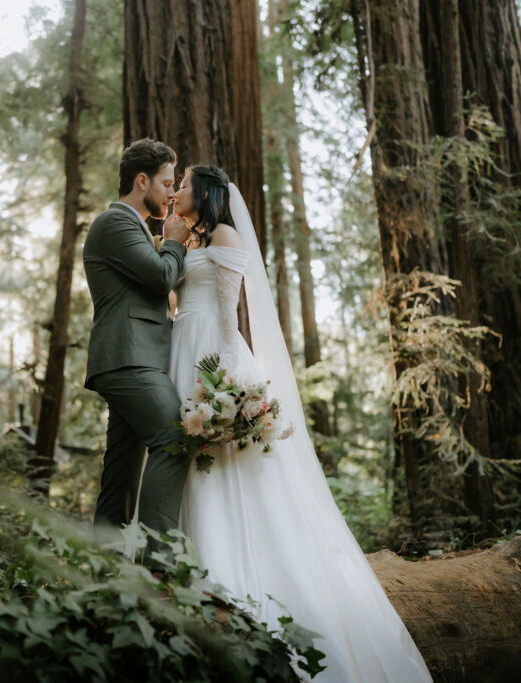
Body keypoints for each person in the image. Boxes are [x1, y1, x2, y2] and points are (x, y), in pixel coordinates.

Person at [167, 165, 433, 682]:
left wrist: (222, 382)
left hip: (210, 356)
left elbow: (228, 314)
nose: (175, 191)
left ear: (204, 193)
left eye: (183, 184)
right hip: (180, 350)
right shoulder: (187, 236)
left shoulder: (224, 233)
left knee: (223, 469)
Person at [82, 138, 193, 567]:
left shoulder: (137, 229)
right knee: (174, 438)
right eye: (166, 182)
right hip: (128, 357)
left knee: (122, 472)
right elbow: (161, 276)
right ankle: (159, 568)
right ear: (141, 180)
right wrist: (175, 241)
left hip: (137, 357)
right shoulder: (115, 224)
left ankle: (105, 577)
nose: (171, 192)